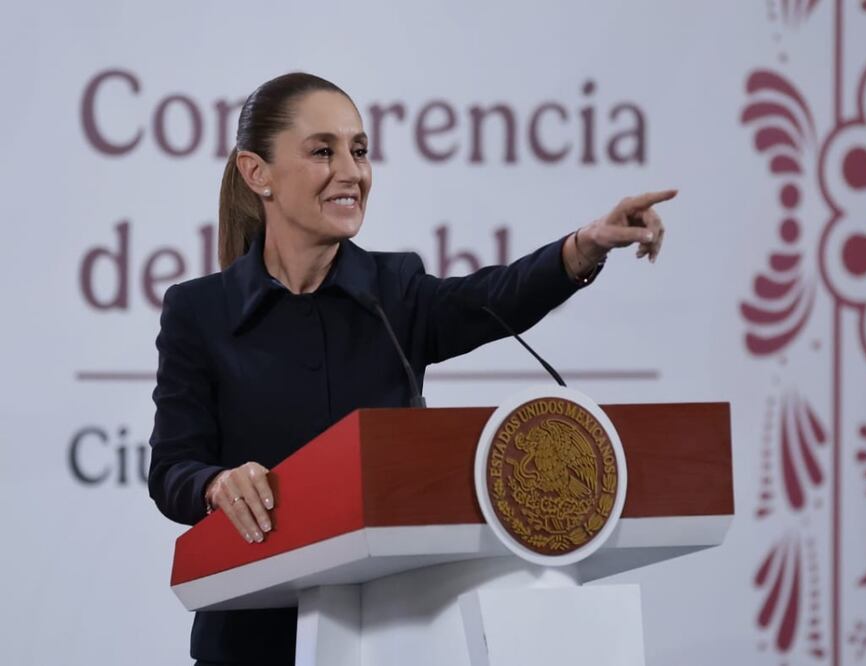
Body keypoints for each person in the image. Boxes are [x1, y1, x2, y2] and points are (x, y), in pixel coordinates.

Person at [147, 72, 674, 665]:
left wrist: (586, 246)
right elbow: (172, 468)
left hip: (388, 641)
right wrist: (216, 485)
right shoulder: (199, 312)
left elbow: (496, 296)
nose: (352, 171)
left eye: (360, 150)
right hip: (250, 641)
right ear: (256, 173)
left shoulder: (393, 291)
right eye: (323, 151)